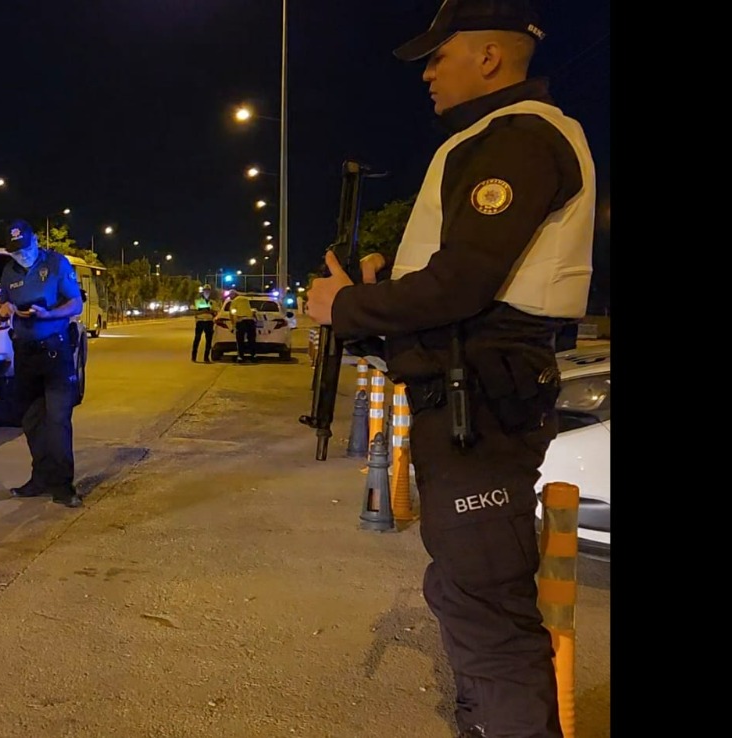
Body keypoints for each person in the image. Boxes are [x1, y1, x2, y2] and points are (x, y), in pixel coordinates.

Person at [306, 2, 594, 736]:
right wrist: (377, 304)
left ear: (489, 57)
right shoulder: (496, 137)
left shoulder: (518, 138)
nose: (427, 74)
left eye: (439, 56)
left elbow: (463, 286)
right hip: (471, 396)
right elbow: (460, 296)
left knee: (487, 607)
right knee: (467, 594)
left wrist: (347, 307)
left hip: (483, 407)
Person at [0, 220, 84, 508]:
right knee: (32, 421)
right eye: (15, 252)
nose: (21, 256)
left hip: (55, 352)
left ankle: (63, 486)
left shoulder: (55, 263)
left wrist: (47, 314)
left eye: (24, 249)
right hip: (25, 354)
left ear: (34, 241)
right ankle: (40, 478)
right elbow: (0, 305)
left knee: (57, 421)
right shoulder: (9, 271)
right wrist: (5, 308)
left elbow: (76, 304)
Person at [191, 285, 218, 363]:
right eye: (205, 290)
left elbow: (215, 312)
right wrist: (206, 311)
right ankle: (193, 357)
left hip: (209, 322)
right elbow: (195, 312)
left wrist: (205, 311)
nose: (207, 292)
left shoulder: (213, 302)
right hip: (200, 321)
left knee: (209, 340)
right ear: (203, 292)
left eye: (208, 290)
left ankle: (206, 357)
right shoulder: (198, 301)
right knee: (197, 339)